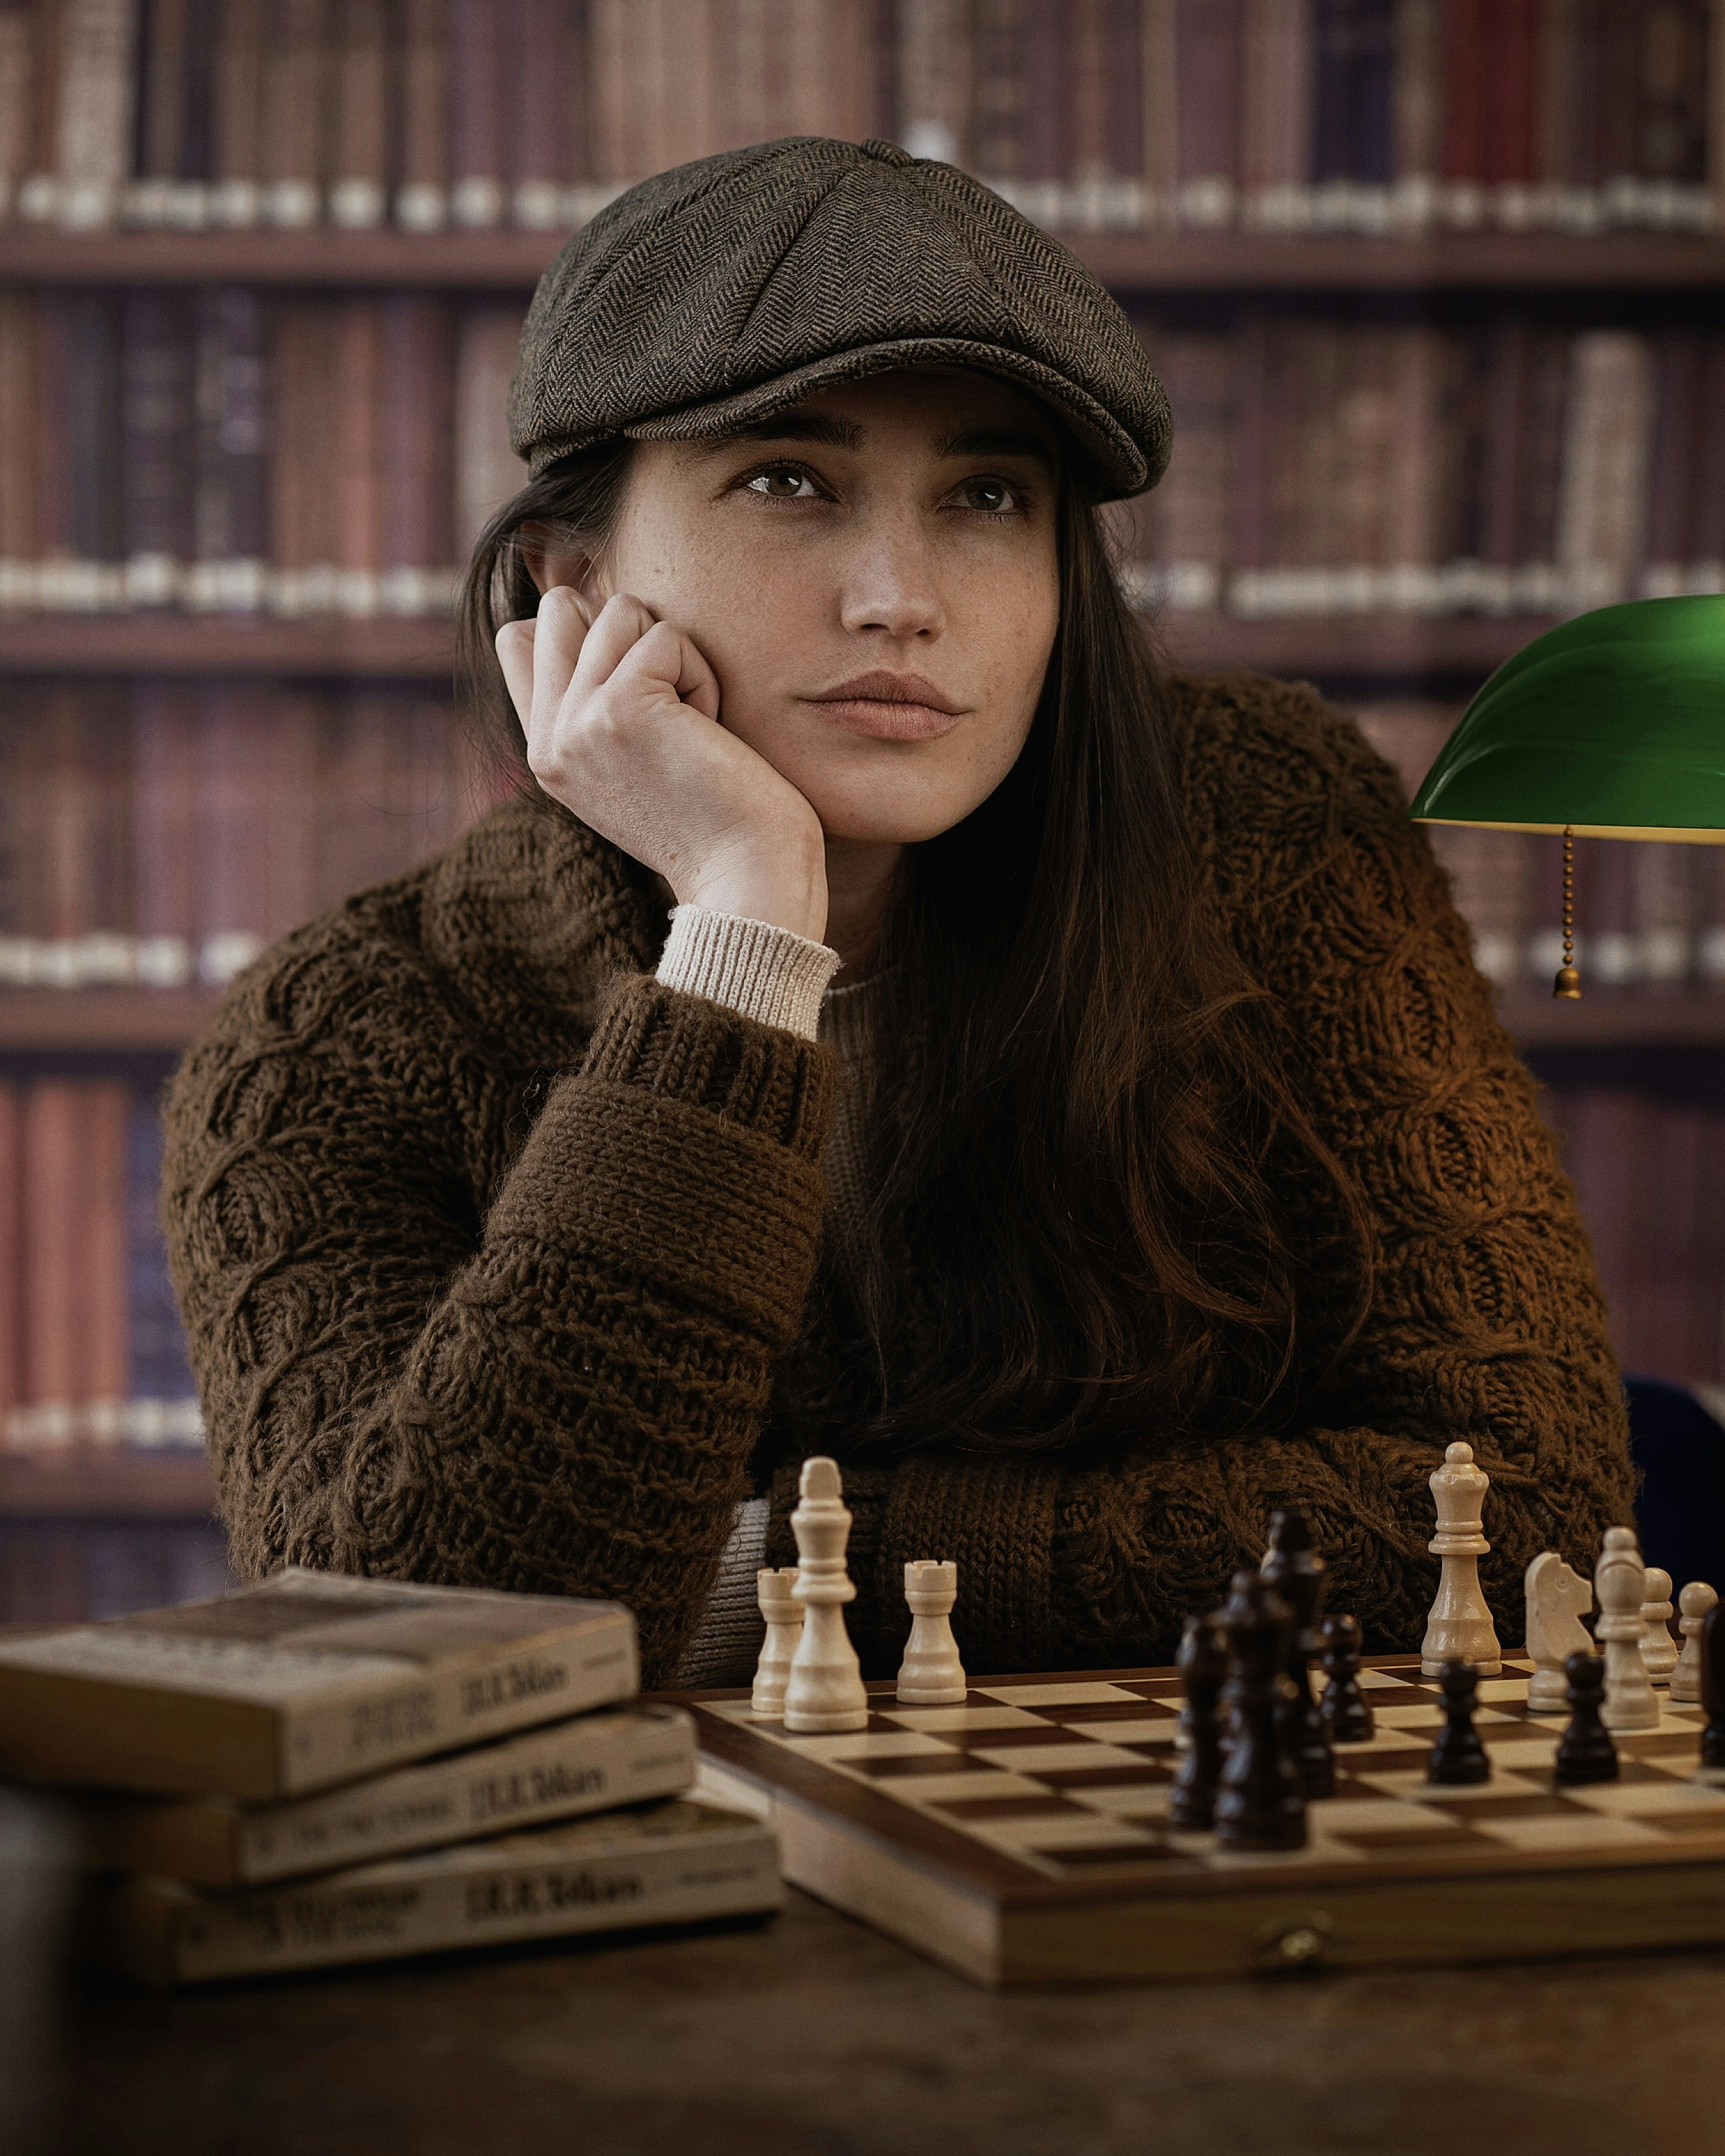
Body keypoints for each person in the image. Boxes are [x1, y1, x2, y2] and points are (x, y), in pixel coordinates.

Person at [161, 137, 1633, 1689]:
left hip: (1196, 1866)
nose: (898, 595)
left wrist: (785, 1576)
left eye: (987, 495)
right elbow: (421, 1651)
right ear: (567, 573)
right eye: (786, 480)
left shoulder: (1263, 825)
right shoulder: (340, 1037)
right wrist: (741, 929)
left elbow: (1523, 1504)